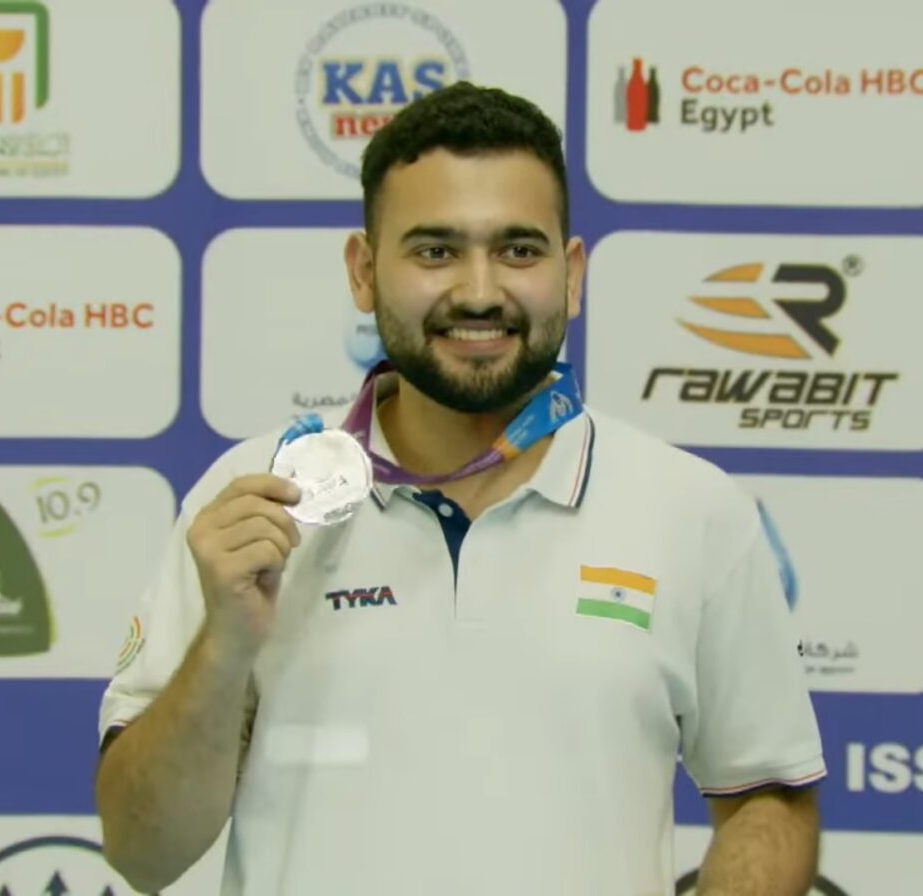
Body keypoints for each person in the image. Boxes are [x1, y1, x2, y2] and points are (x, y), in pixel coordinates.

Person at [94, 81, 827, 896]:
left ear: (572, 273)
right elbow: (140, 850)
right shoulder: (250, 500)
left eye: (518, 250)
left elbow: (769, 794)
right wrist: (226, 645)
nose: (480, 291)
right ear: (364, 272)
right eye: (435, 251)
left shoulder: (694, 512)